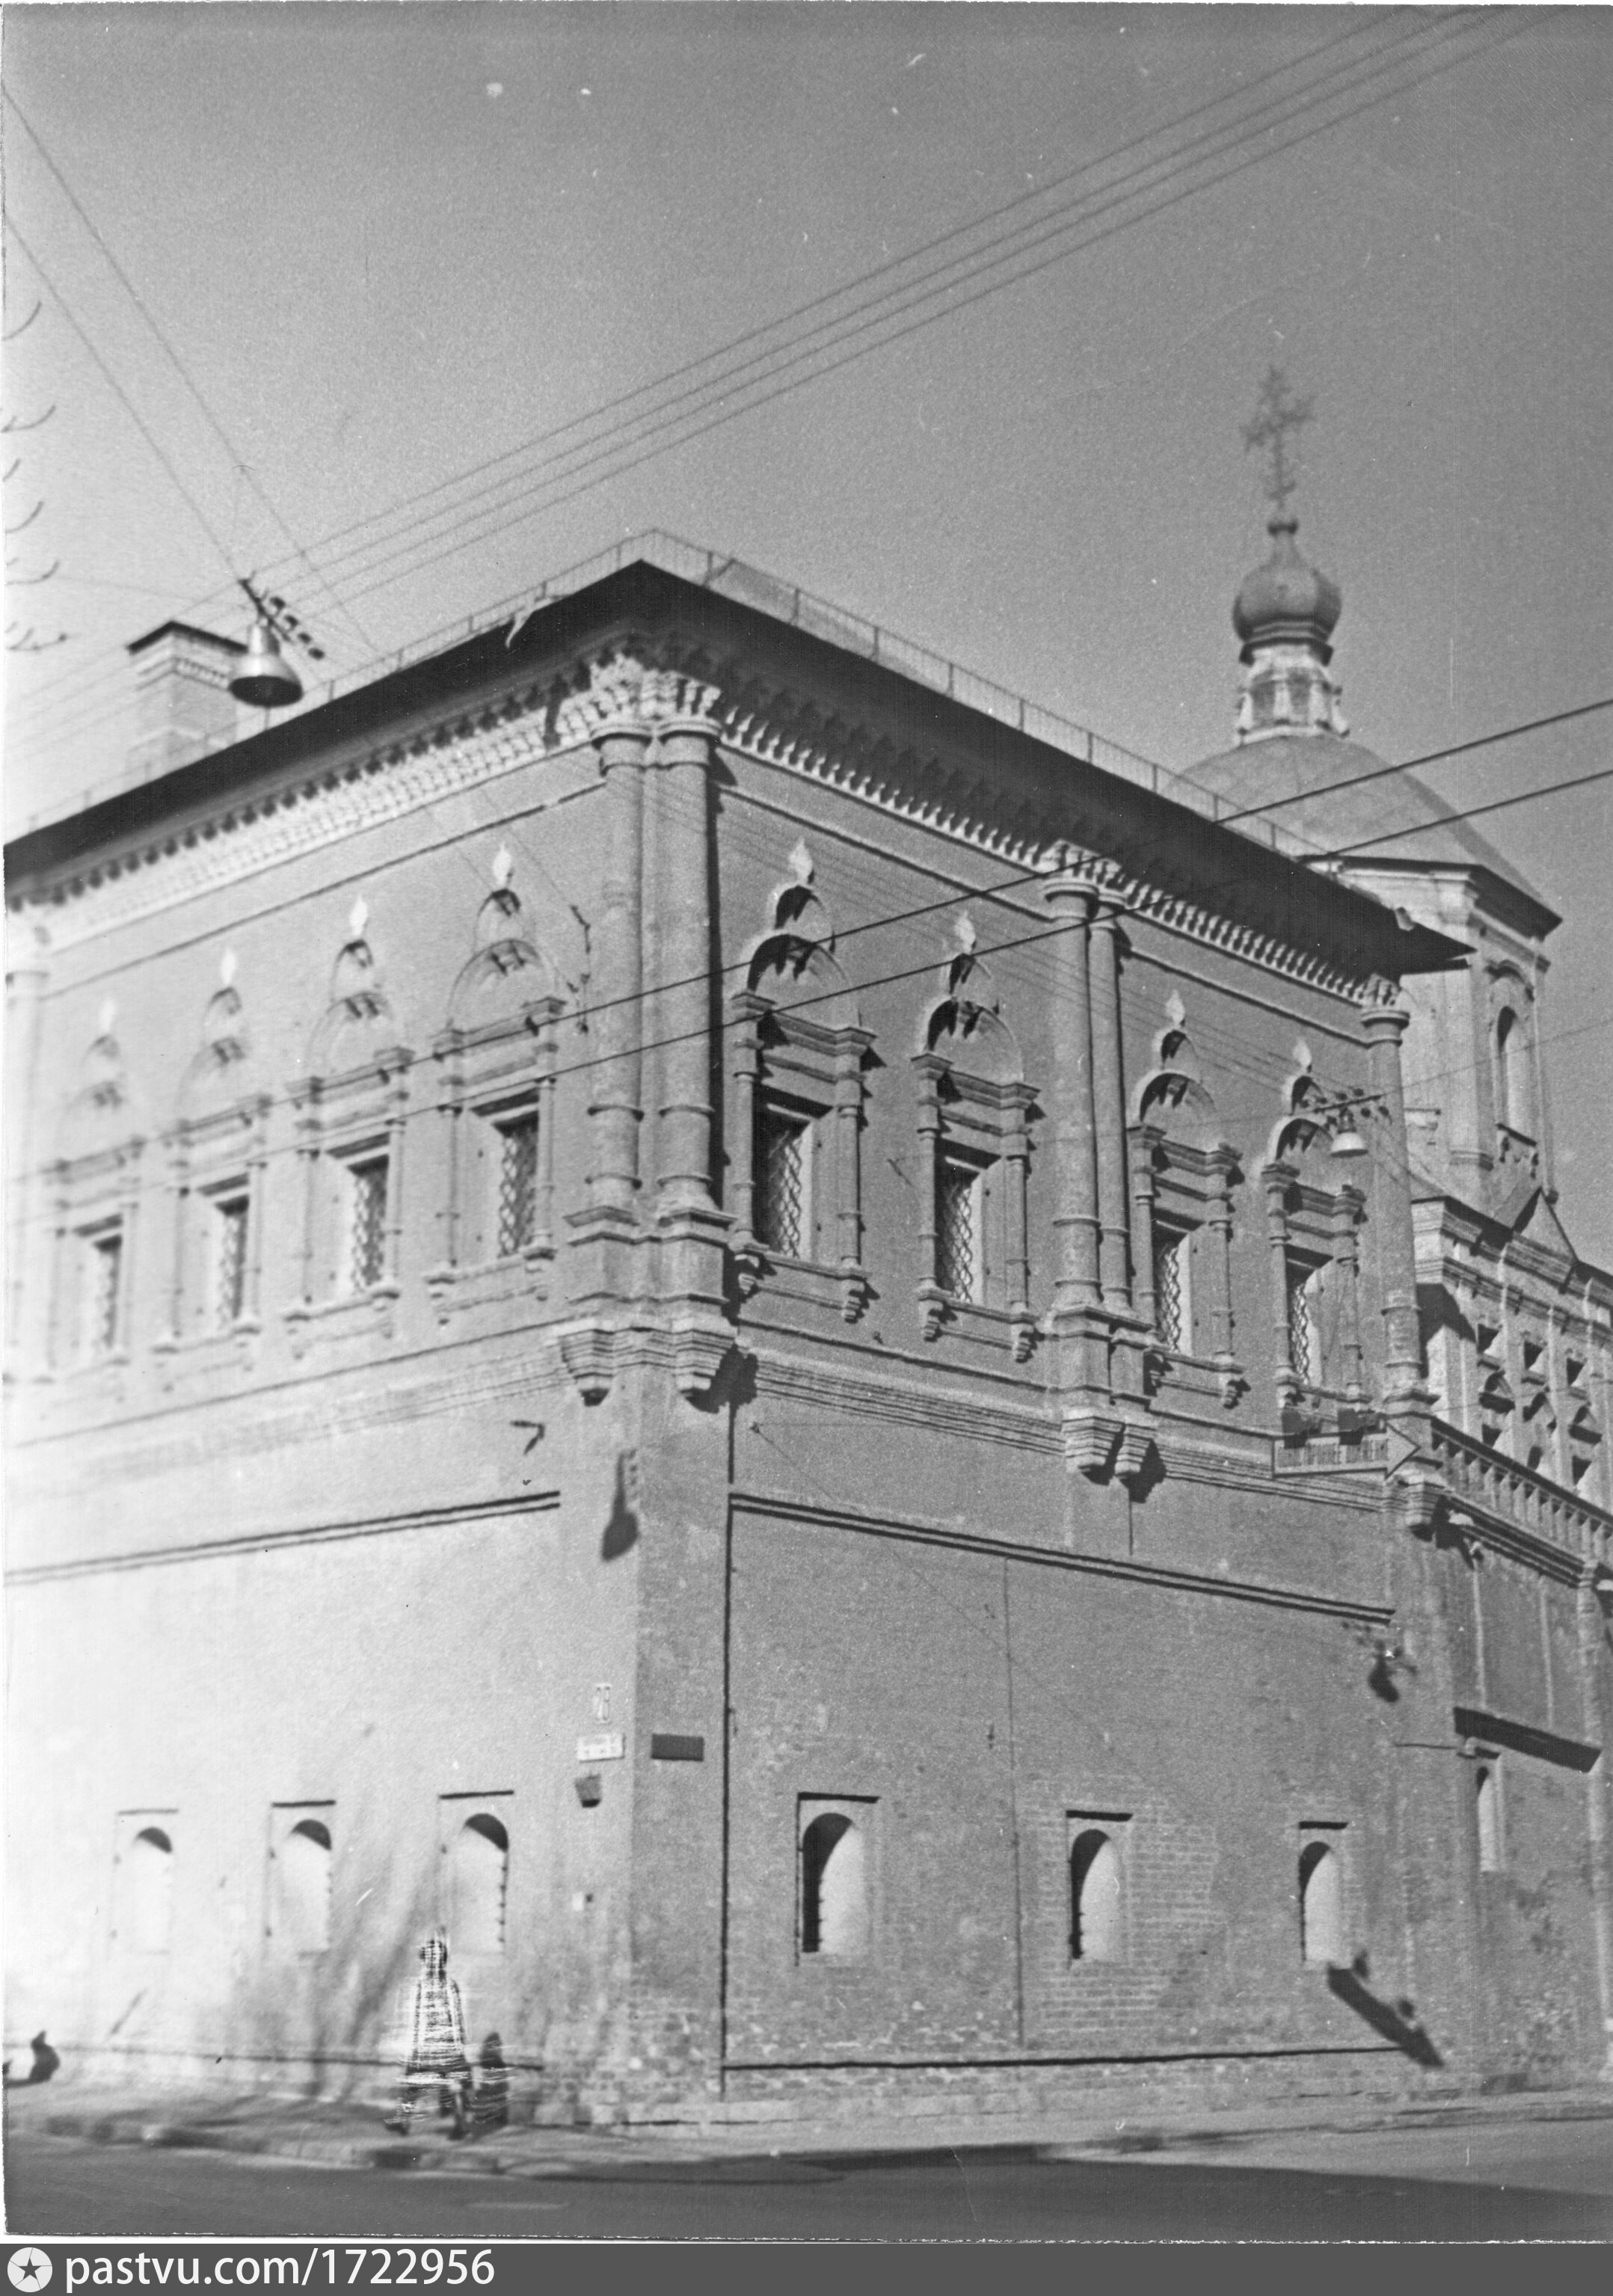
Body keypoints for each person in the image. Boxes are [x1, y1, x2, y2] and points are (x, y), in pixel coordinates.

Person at [385, 1933, 472, 2137]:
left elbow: (456, 2016)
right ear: (425, 1961)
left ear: (442, 1961)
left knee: (453, 2084)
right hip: (428, 2045)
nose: (433, 1963)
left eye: (437, 1958)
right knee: (414, 2083)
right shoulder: (422, 1985)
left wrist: (458, 2044)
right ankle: (403, 2121)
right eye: (429, 1958)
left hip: (444, 2044)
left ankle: (461, 2126)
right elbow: (418, 2018)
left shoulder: (448, 1985)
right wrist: (416, 2045)